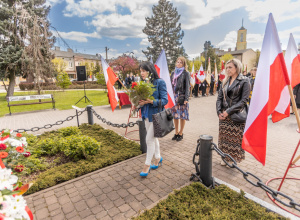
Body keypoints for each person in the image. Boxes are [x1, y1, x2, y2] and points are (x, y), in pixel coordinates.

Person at [216, 59, 250, 165]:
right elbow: (219, 98)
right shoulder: (225, 81)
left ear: (237, 67)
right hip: (224, 115)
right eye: (226, 67)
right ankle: (225, 158)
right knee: (225, 139)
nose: (227, 69)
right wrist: (218, 112)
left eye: (230, 67)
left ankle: (233, 159)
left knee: (234, 140)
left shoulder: (244, 81)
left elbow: (243, 100)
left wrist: (228, 111)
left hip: (236, 115)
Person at [138, 61, 168, 177]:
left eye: (144, 71)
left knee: (149, 140)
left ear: (150, 71)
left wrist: (151, 101)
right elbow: (142, 100)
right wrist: (138, 102)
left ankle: (147, 165)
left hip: (156, 116)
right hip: (146, 115)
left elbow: (164, 101)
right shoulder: (143, 84)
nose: (142, 73)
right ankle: (158, 158)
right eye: (140, 71)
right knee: (154, 138)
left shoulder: (160, 82)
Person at [170, 57, 190, 141]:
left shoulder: (185, 73)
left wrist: (186, 98)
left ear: (183, 64)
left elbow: (187, 87)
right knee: (175, 116)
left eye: (180, 62)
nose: (178, 63)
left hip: (182, 97)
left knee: (182, 116)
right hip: (174, 97)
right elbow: (171, 85)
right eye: (177, 62)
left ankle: (181, 133)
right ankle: (176, 132)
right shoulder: (173, 72)